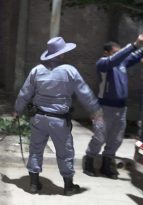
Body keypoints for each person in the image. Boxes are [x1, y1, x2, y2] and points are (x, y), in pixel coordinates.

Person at [14, 37, 103, 196]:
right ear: (61, 54)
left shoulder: (37, 70)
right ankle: (68, 186)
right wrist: (95, 111)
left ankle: (34, 185)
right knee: (65, 152)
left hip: (38, 118)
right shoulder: (70, 71)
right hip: (59, 120)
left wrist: (17, 110)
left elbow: (24, 93)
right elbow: (84, 93)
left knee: (35, 149)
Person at [83, 34, 143, 179]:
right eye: (115, 52)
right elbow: (116, 59)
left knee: (116, 139)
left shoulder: (122, 64)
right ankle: (89, 161)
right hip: (104, 108)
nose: (119, 55)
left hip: (121, 109)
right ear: (106, 53)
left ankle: (107, 165)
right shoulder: (103, 64)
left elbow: (137, 55)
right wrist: (134, 44)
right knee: (100, 137)